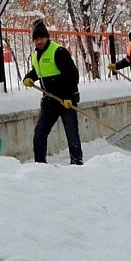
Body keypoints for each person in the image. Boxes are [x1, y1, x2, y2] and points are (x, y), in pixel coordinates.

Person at [22, 19, 83, 165]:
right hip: (49, 100)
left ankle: (77, 164)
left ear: (47, 37)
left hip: (66, 100)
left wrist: (68, 96)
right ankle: (40, 165)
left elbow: (73, 75)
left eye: (41, 38)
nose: (39, 41)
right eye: (36, 39)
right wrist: (29, 77)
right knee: (40, 133)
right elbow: (39, 71)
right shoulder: (36, 56)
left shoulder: (58, 51)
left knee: (72, 134)